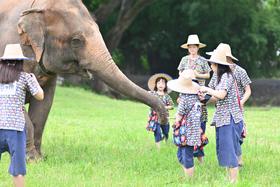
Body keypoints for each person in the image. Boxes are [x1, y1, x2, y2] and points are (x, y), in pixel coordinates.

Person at [0, 44, 44, 187]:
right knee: (18, 170)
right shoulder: (25, 77)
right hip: (16, 130)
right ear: (20, 61)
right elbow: (40, 96)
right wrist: (34, 79)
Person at [199, 46, 243, 183]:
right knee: (225, 148)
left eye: (211, 63)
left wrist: (206, 89)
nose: (210, 65)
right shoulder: (219, 76)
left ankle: (233, 181)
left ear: (218, 64)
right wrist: (204, 99)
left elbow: (221, 94)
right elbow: (216, 97)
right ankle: (230, 178)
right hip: (223, 118)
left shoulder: (226, 76)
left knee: (229, 149)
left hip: (229, 118)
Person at [206, 43, 251, 166]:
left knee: (237, 136)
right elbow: (213, 93)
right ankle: (234, 163)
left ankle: (237, 162)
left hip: (236, 109)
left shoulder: (240, 71)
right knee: (228, 138)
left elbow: (248, 90)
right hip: (222, 110)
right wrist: (204, 100)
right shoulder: (217, 73)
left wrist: (241, 102)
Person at [177, 34, 211, 163]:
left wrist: (197, 74)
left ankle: (200, 157)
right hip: (185, 90)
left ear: (198, 47)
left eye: (194, 47)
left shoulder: (202, 60)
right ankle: (186, 154)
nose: (192, 49)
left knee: (200, 122)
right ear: (188, 48)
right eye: (190, 47)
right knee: (185, 122)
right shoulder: (184, 60)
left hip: (199, 92)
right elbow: (179, 73)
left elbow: (208, 74)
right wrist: (185, 75)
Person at [167, 70, 202, 177]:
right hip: (195, 129)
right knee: (182, 154)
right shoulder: (196, 96)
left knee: (186, 156)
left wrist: (175, 122)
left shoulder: (184, 98)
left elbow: (179, 114)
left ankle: (189, 179)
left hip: (186, 131)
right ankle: (187, 175)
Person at [147, 73, 174, 149]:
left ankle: (166, 141)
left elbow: (172, 106)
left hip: (164, 118)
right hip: (155, 117)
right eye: (159, 83)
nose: (161, 84)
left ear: (165, 85)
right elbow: (146, 97)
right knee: (157, 132)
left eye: (163, 83)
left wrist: (164, 107)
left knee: (165, 131)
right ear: (156, 85)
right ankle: (158, 148)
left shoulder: (167, 96)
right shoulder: (152, 94)